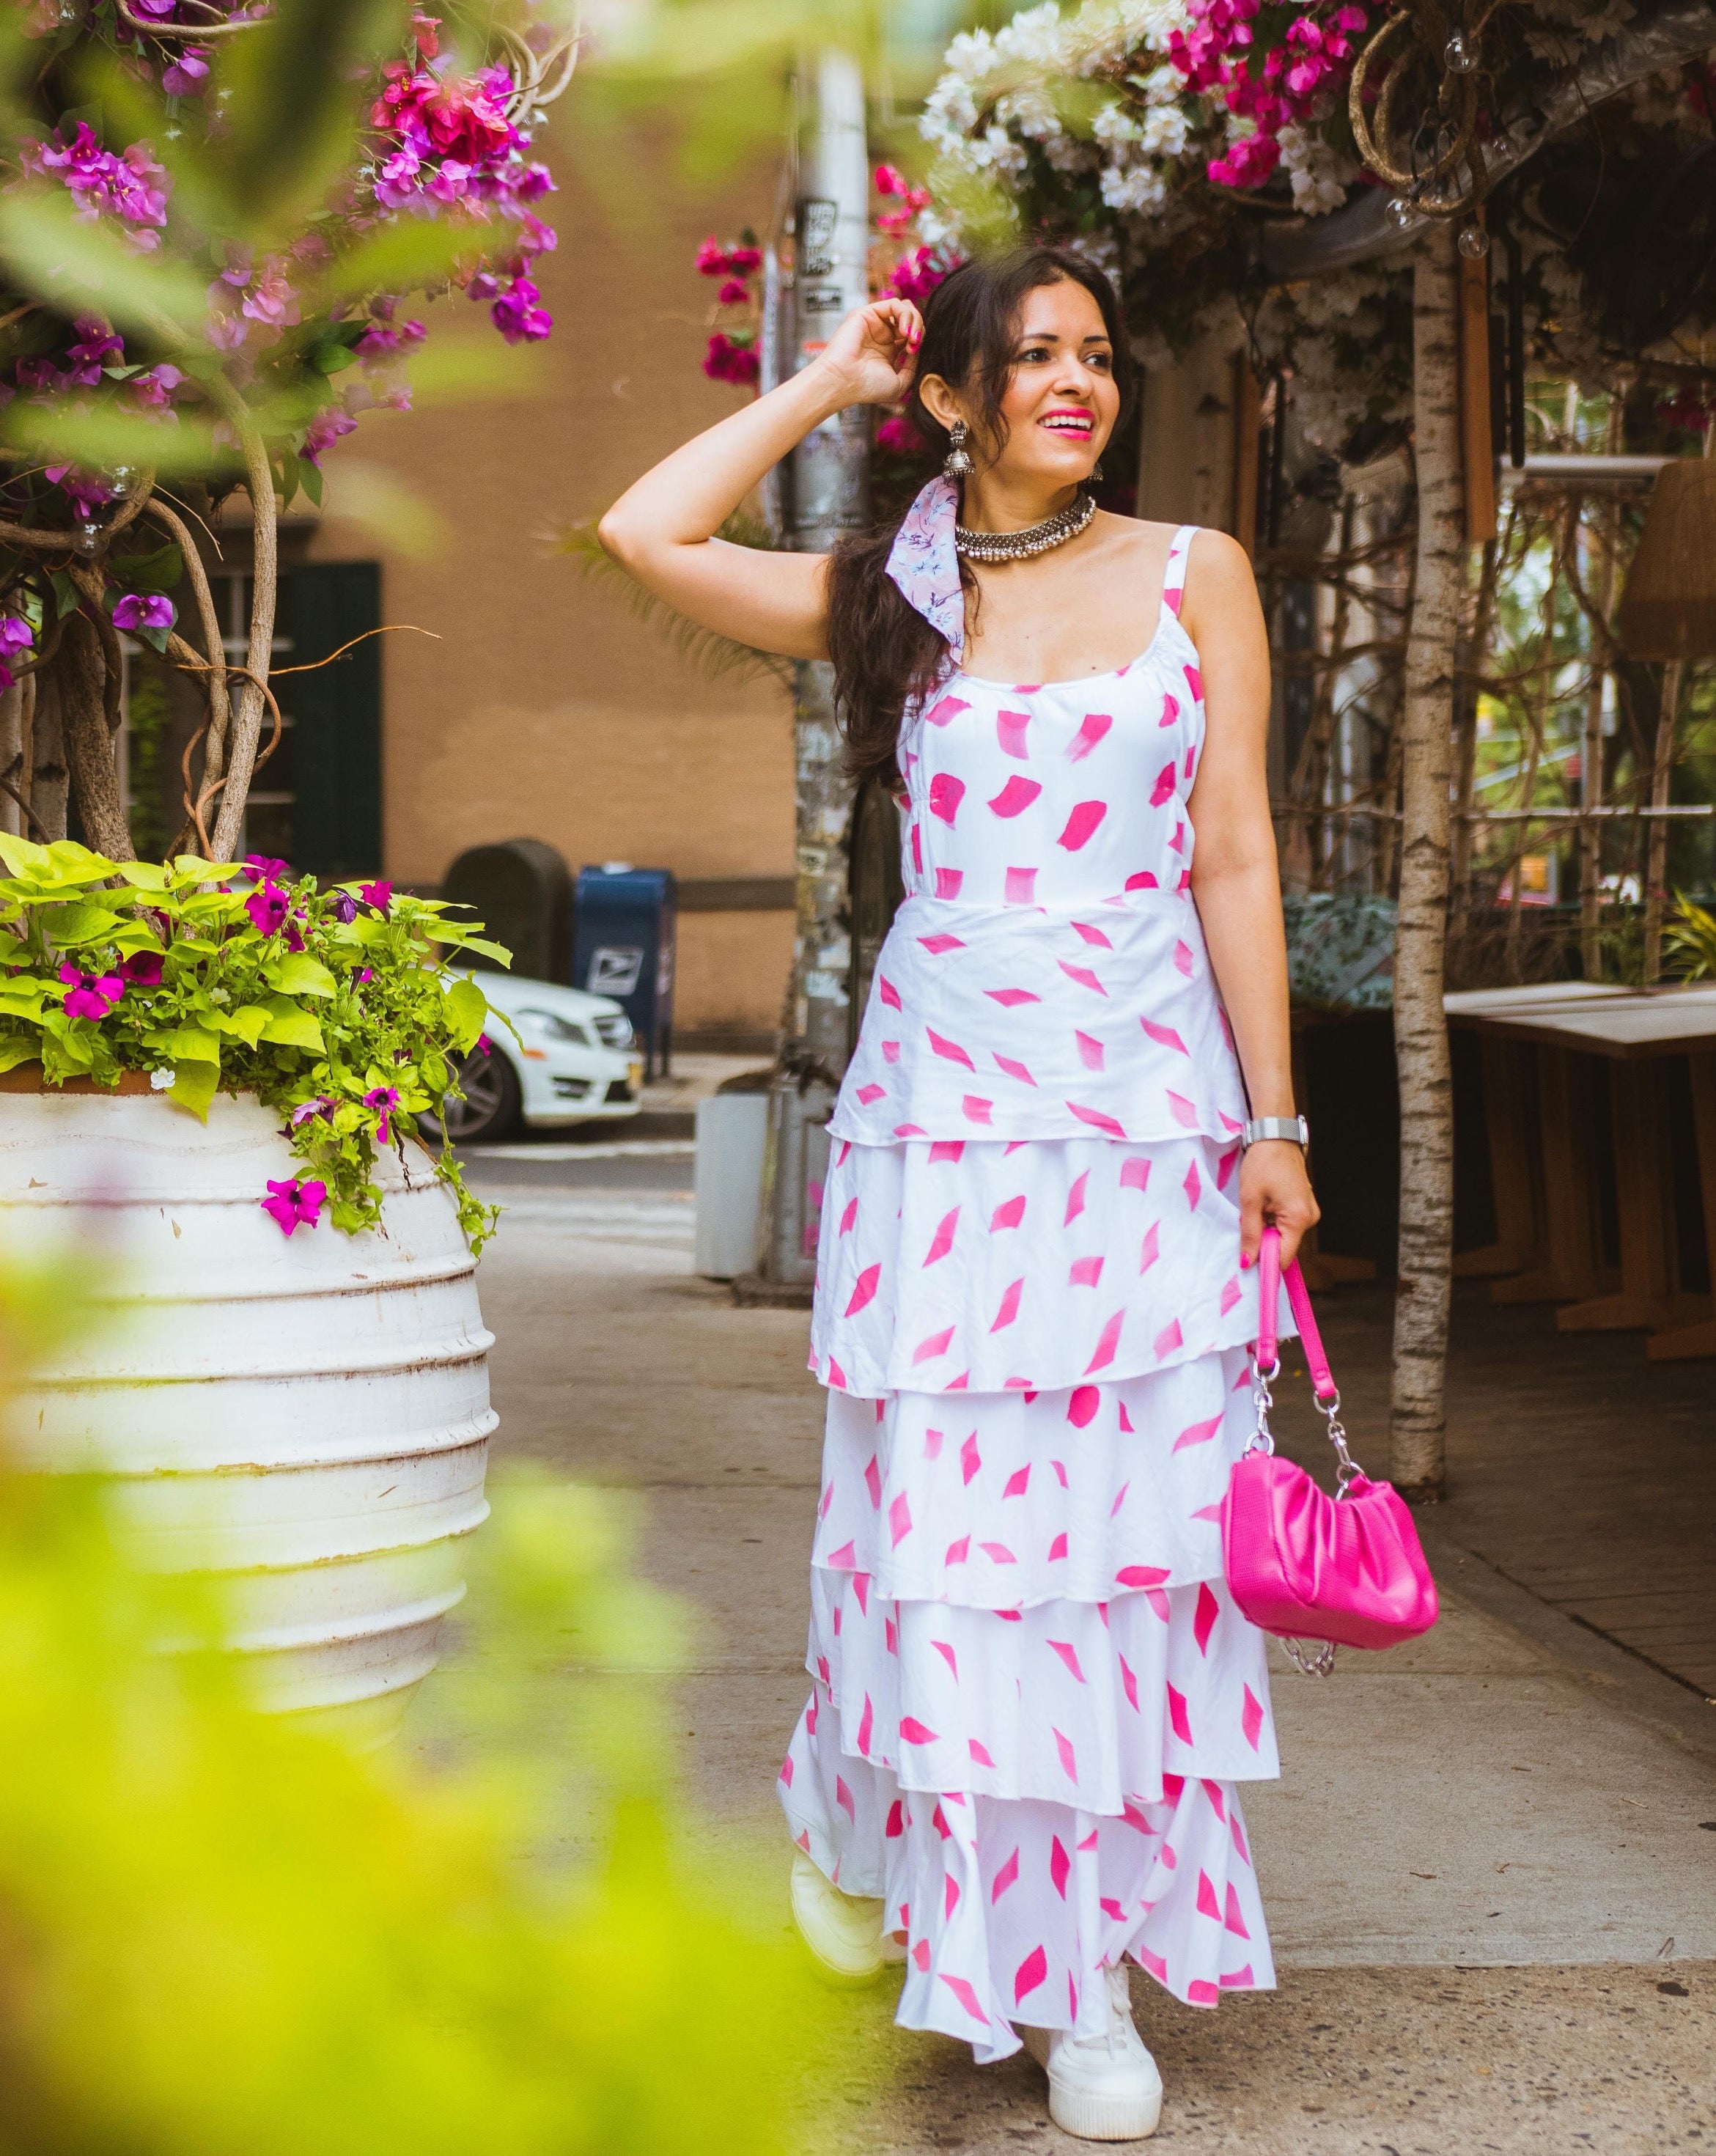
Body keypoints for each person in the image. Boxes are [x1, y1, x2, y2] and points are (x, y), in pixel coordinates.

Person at [600, 245, 1319, 2144]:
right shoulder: (888, 592)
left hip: (1144, 1135)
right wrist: (830, 382)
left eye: (1100, 358)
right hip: (945, 1145)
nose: (1078, 386)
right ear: (960, 393)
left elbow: (1234, 853)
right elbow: (644, 529)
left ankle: (1077, 1982)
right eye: (1036, 357)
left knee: (1114, 1562)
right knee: (942, 1545)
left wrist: (1280, 1123)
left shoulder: (1195, 576)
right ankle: (875, 1845)